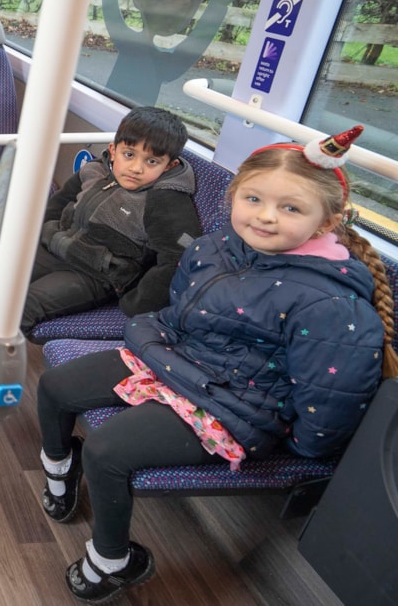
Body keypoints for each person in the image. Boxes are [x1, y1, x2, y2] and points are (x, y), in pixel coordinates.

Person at [34, 126, 395, 603]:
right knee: (56, 386)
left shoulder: (329, 304)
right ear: (233, 198)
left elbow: (330, 400)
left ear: (326, 223)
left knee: (108, 452)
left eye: (291, 208)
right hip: (183, 361)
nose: (265, 217)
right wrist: (151, 336)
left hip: (239, 406)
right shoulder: (214, 249)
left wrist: (299, 454)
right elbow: (180, 312)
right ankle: (61, 466)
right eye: (253, 199)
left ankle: (114, 562)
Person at [0, 107, 202, 417]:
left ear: (169, 165)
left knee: (20, 305)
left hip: (95, 275)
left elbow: (176, 258)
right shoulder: (96, 171)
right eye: (129, 155)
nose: (137, 168)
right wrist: (40, 238)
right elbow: (57, 204)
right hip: (55, 250)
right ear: (114, 150)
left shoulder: (166, 200)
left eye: (151, 162)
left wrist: (135, 301)